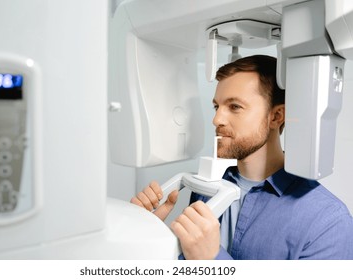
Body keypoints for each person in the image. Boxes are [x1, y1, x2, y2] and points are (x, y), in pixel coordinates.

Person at [130, 55, 353, 260]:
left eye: (234, 106)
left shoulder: (329, 223)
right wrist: (152, 235)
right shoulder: (206, 190)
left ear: (276, 116)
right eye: (217, 106)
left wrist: (213, 261)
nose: (217, 119)